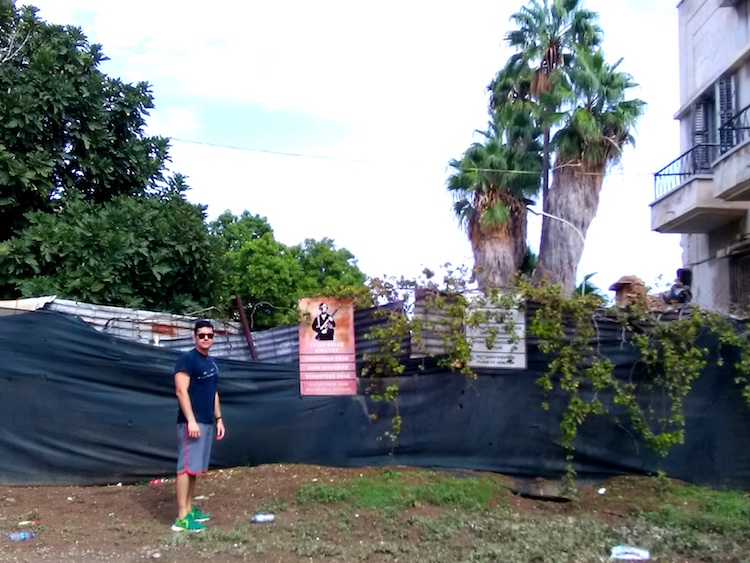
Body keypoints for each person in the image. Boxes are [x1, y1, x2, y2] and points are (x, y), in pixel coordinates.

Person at [171, 319, 225, 532]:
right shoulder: (187, 360)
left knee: (194, 469)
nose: (205, 339)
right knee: (185, 468)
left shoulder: (210, 362)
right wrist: (191, 420)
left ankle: (190, 509)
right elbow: (180, 391)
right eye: (201, 335)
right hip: (190, 423)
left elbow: (214, 393)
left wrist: (219, 418)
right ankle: (182, 517)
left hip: (207, 421)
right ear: (194, 337)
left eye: (209, 335)